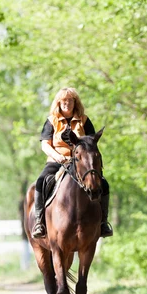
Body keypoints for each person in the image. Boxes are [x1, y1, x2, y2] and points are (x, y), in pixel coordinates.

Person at [31, 87, 113, 239]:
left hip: (81, 164)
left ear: (75, 103)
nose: (66, 103)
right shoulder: (51, 121)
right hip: (57, 161)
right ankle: (39, 222)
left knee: (104, 184)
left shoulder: (84, 120)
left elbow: (91, 143)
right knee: (41, 182)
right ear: (58, 103)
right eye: (63, 100)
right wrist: (58, 157)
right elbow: (45, 145)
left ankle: (103, 223)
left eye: (69, 100)